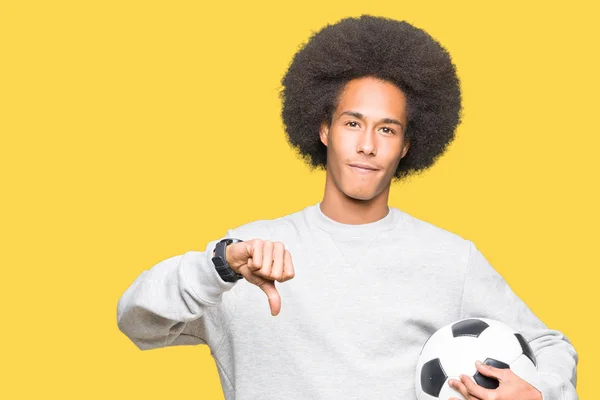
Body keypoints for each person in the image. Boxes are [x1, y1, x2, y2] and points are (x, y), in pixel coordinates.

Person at [117, 15, 578, 400]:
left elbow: (550, 345)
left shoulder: (450, 259)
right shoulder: (249, 255)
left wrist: (539, 390)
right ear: (323, 129)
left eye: (386, 129)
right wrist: (218, 266)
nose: (366, 146)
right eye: (352, 122)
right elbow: (136, 321)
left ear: (407, 145)